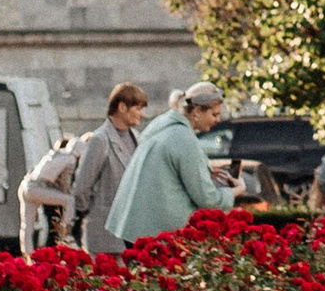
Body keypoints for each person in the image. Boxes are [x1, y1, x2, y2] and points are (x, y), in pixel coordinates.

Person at [102, 83, 239, 248]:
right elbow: (207, 198)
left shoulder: (162, 123)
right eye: (214, 114)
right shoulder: (184, 138)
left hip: (134, 227)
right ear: (197, 111)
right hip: (157, 236)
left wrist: (204, 171)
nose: (218, 120)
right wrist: (234, 191)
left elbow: (166, 169)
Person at [70, 84, 150, 254]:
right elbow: (82, 187)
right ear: (122, 107)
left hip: (134, 234)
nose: (142, 114)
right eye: (137, 108)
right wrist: (90, 213)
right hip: (107, 237)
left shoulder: (136, 137)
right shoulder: (100, 140)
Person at [18, 134, 82, 258]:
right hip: (39, 188)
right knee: (70, 200)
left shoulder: (57, 154)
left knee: (27, 225)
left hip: (26, 185)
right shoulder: (71, 160)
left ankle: (27, 255)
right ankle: (65, 229)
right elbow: (65, 184)